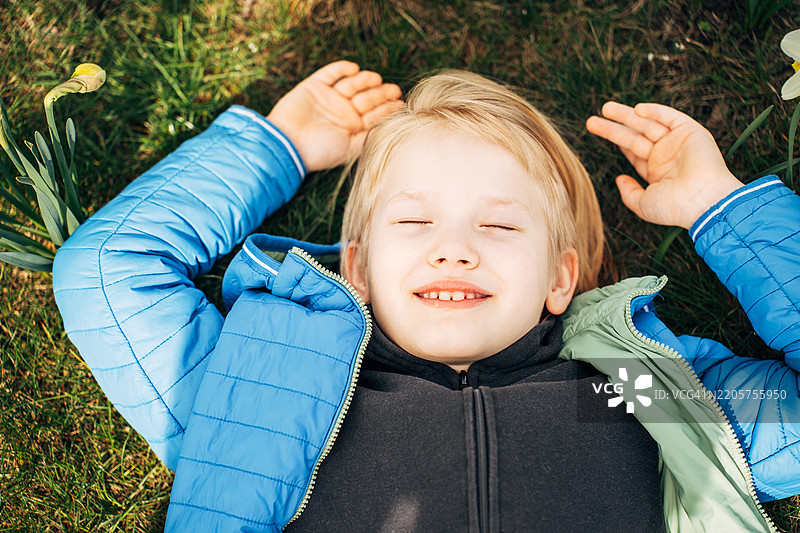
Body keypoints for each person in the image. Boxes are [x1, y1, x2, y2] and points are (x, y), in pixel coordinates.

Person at [51, 61, 800, 532]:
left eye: (500, 223)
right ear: (359, 268)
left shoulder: (628, 387)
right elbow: (108, 270)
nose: (454, 246)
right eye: (413, 220)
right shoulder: (268, 388)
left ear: (559, 279)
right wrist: (274, 150)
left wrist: (719, 204)